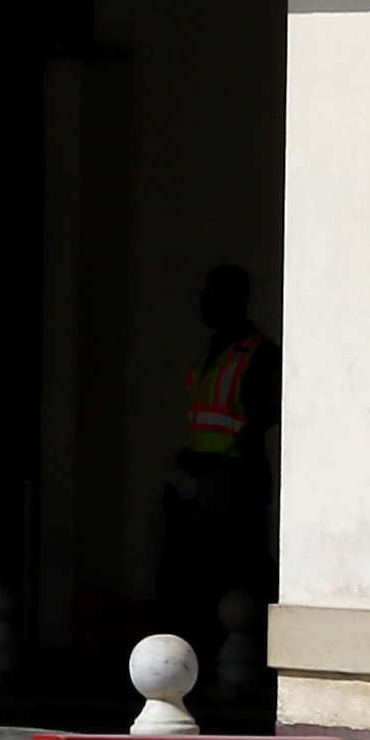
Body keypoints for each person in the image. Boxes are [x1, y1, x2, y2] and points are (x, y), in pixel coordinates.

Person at [154, 262, 276, 656]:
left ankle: (245, 655)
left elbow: (273, 402)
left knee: (237, 569)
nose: (205, 306)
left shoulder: (255, 351)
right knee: (216, 567)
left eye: (214, 299)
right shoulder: (218, 350)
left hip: (236, 476)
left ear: (236, 302)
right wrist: (196, 452)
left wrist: (243, 436)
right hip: (210, 474)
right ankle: (221, 652)